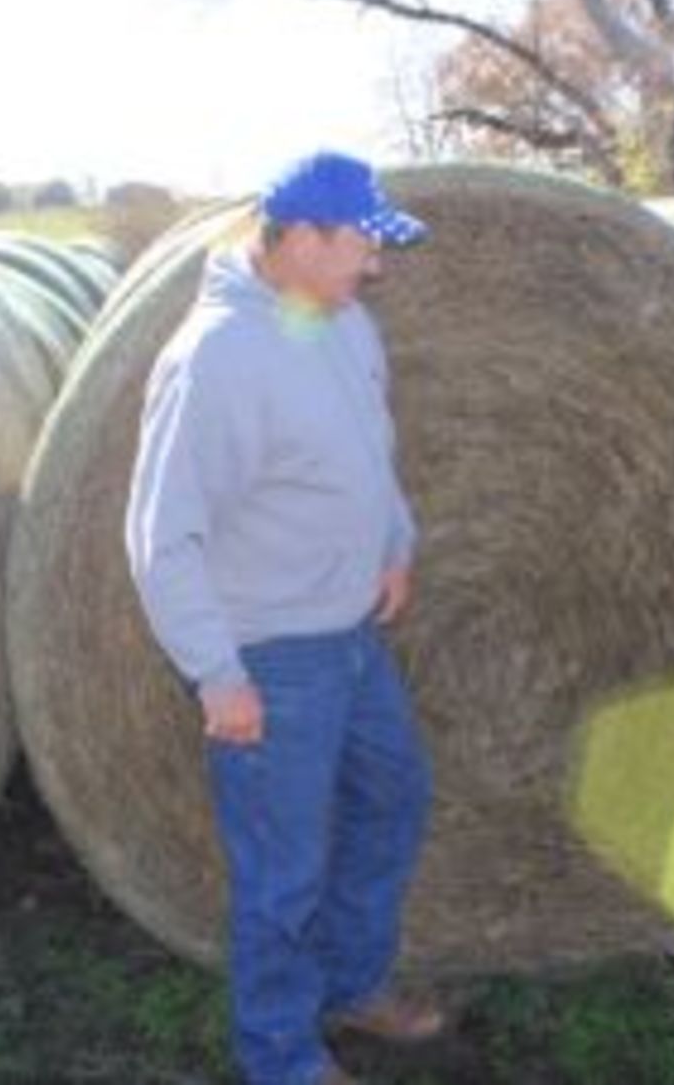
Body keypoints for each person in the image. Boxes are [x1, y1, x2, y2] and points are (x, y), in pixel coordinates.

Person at [125, 151, 445, 1085]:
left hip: (352, 636)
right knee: (284, 869)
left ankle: (352, 983)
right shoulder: (216, 359)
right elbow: (162, 534)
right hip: (272, 654)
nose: (375, 266)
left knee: (394, 800)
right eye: (361, 245)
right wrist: (216, 675)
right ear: (301, 239)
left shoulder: (342, 323)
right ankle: (279, 1053)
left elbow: (370, 450)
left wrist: (395, 540)